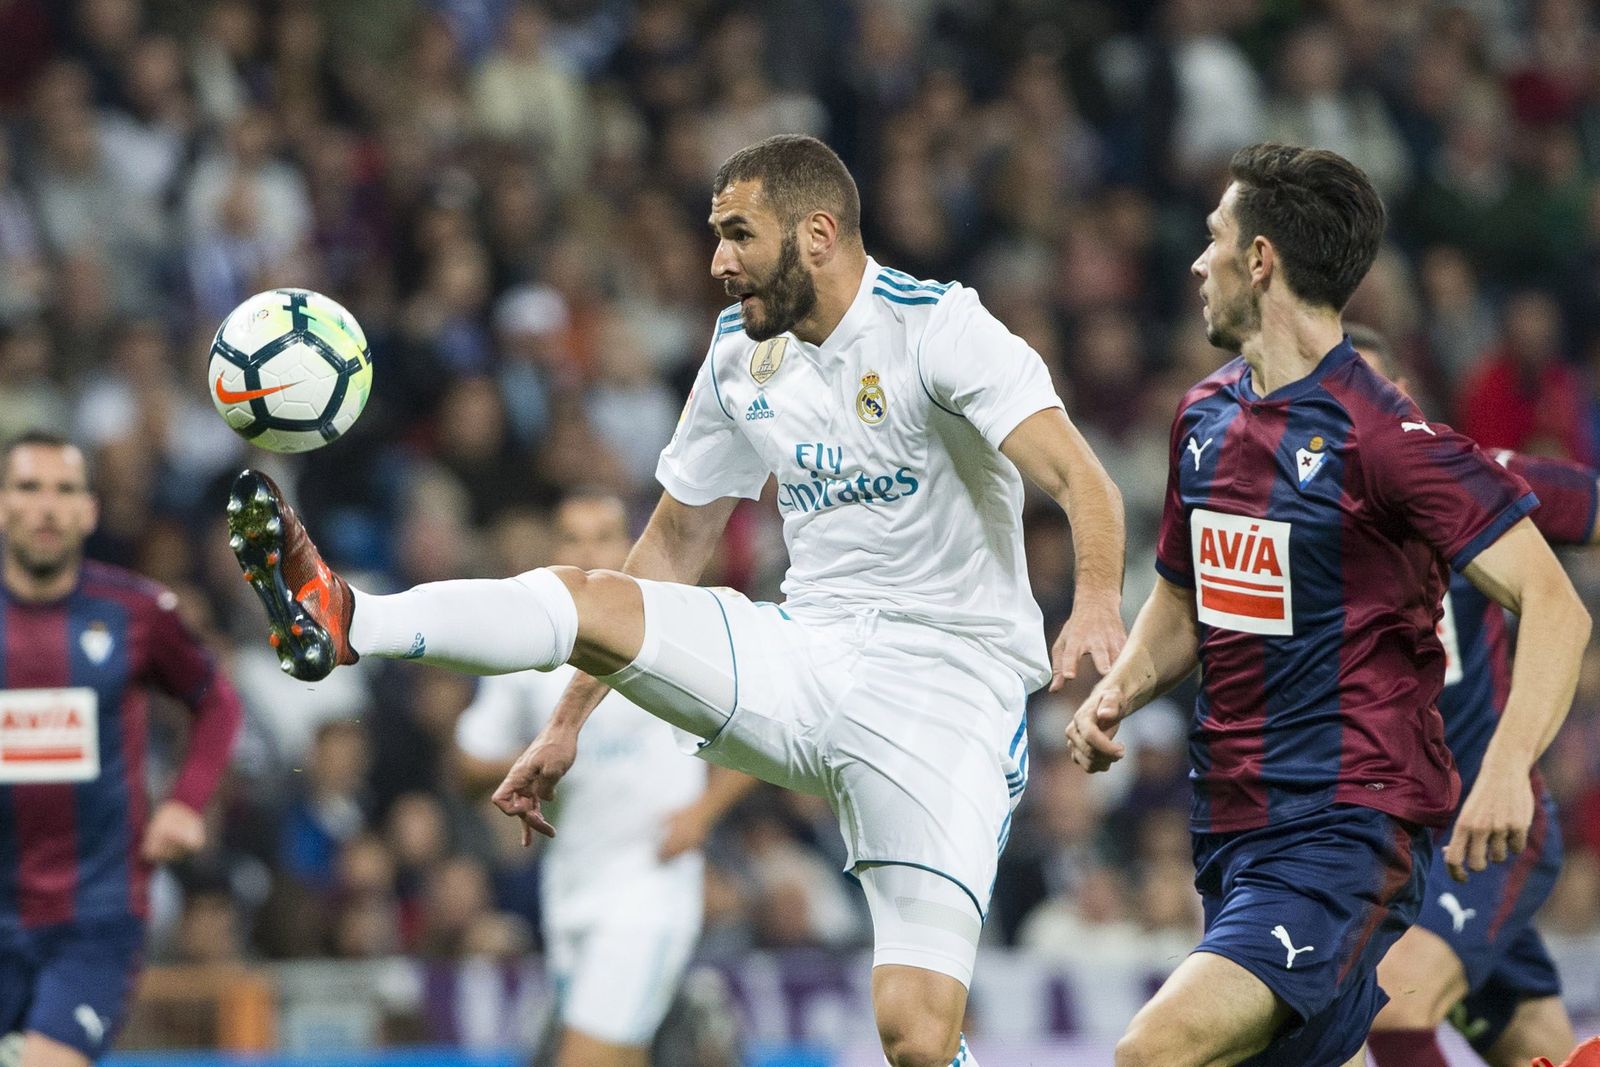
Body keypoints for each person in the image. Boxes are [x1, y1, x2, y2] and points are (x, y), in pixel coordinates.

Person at [228, 133, 1128, 1066]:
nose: (717, 261)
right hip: (806, 653)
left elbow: (1082, 478)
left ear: (817, 233)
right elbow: (672, 544)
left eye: (738, 233)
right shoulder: (744, 350)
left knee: (916, 1034)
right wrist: (570, 718)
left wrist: (1096, 601)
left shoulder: (941, 329)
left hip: (948, 691)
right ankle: (349, 618)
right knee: (589, 592)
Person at [1067, 143, 1591, 1067]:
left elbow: (1557, 604)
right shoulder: (1203, 417)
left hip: (1345, 831)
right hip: (1232, 833)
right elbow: (1184, 605)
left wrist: (1508, 766)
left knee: (1154, 1051)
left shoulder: (1389, 437)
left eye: (1214, 237)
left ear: (1259, 258)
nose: (1197, 260)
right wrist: (1121, 689)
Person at [1348, 324, 1584, 1067]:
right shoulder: (1298, 523)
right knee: (1539, 1050)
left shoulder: (1472, 480)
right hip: (1393, 850)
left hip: (1488, 824)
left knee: (1391, 1005)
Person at [452, 490, 754, 1067]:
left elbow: (768, 725)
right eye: (574, 538)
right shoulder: (531, 646)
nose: (590, 550)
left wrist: (701, 814)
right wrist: (530, 761)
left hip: (649, 891)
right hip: (569, 891)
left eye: (605, 536)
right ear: (554, 549)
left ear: (630, 545)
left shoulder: (676, 630)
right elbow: (469, 762)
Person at [0, 431, 243, 1067]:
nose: (47, 507)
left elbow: (217, 702)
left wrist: (186, 802)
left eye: (65, 490)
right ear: (2, 505)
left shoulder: (136, 611)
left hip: (95, 915)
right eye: (29, 488)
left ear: (90, 511)